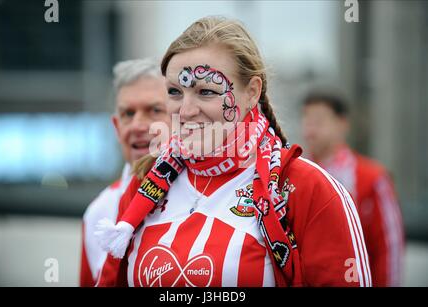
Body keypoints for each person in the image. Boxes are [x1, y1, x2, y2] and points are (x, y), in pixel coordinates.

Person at [95, 16, 371, 287]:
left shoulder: (308, 188)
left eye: (206, 92)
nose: (186, 111)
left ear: (252, 92)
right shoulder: (145, 184)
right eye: (175, 92)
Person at [80, 58, 171, 286]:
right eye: (128, 114)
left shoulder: (204, 195)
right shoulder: (97, 213)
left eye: (154, 110)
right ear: (116, 126)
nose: (138, 125)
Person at [301, 90, 405, 287]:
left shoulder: (373, 178)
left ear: (342, 125)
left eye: (319, 121)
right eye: (306, 119)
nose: (310, 129)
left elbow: (389, 248)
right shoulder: (293, 176)